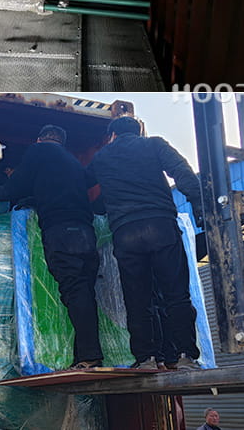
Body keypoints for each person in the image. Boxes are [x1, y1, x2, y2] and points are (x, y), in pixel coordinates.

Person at [88, 116, 206, 370]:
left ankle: (145, 359)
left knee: (137, 299)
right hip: (160, 226)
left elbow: (84, 186)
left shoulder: (102, 157)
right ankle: (185, 354)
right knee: (176, 294)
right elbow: (182, 172)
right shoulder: (154, 145)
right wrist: (198, 205)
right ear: (138, 131)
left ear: (113, 135)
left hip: (126, 233)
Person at [0, 124, 102, 369]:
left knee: (74, 291)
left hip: (62, 232)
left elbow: (16, 187)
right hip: (86, 232)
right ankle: (84, 356)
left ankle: (89, 357)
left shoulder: (39, 151)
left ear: (41, 139)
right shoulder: (74, 163)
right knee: (84, 292)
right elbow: (78, 183)